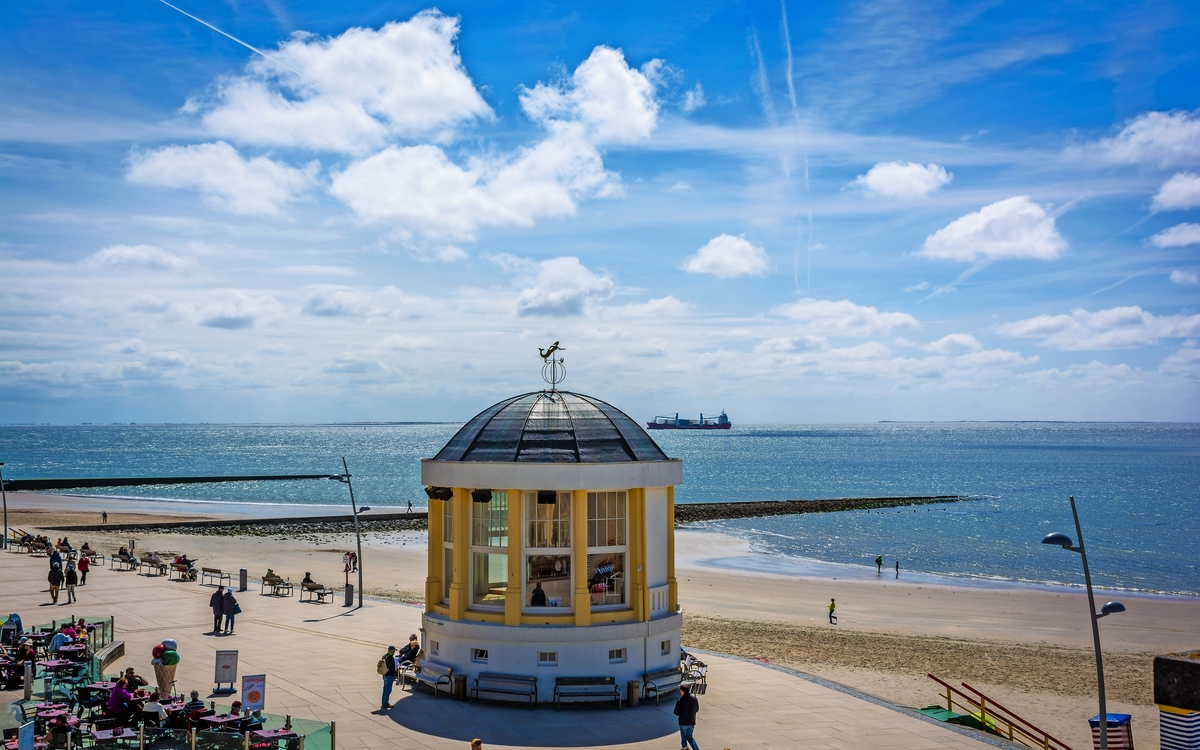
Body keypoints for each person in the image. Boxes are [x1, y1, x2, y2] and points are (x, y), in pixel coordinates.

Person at [674, 685, 700, 750]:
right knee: (690, 737)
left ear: (682, 691)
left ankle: (685, 748)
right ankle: (696, 749)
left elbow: (676, 712)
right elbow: (697, 709)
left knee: (683, 737)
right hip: (691, 721)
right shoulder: (694, 699)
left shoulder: (680, 701)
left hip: (683, 722)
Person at [380, 645, 398, 710]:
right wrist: (394, 674)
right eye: (393, 650)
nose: (394, 652)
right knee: (388, 690)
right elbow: (392, 668)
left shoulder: (384, 656)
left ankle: (383, 702)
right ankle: (386, 703)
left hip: (384, 675)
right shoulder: (390, 658)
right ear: (390, 650)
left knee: (385, 689)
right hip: (389, 676)